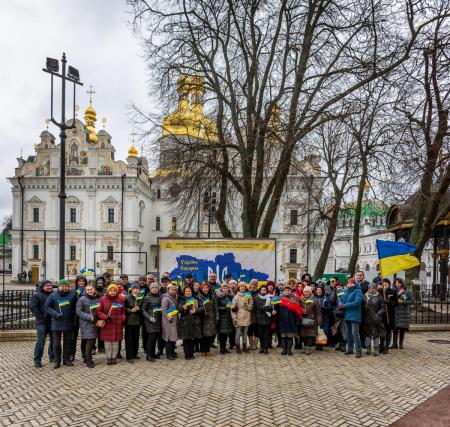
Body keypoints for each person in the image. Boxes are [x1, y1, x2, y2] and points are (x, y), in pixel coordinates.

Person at [44, 279, 77, 369]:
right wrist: (55, 314)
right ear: (59, 287)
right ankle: (57, 361)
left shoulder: (73, 294)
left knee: (68, 342)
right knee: (56, 343)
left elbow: (76, 306)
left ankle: (66, 359)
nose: (64, 288)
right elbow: (47, 307)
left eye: (66, 286)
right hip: (56, 322)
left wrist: (74, 316)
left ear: (68, 287)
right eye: (62, 286)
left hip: (69, 321)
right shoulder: (53, 295)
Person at [96, 284, 125, 365]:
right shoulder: (102, 299)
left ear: (116, 291)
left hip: (117, 324)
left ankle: (114, 357)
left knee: (115, 343)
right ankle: (109, 358)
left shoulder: (120, 300)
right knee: (108, 343)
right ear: (108, 291)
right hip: (107, 324)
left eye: (114, 290)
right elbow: (98, 311)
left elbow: (123, 311)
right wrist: (105, 316)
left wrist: (122, 318)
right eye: (111, 290)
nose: (113, 292)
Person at [30, 280, 54, 368]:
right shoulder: (36, 295)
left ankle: (52, 356)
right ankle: (37, 360)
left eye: (50, 285)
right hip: (42, 322)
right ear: (42, 286)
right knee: (41, 342)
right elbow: (33, 307)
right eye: (47, 285)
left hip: (52, 321)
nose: (49, 287)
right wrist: (41, 317)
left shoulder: (53, 294)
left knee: (54, 341)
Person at [75, 283, 100, 368]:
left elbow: (99, 309)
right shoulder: (82, 299)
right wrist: (89, 317)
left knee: (88, 340)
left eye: (91, 289)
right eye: (88, 290)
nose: (90, 291)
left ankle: (85, 357)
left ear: (94, 290)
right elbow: (78, 312)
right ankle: (89, 360)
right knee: (90, 340)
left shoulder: (97, 299)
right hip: (86, 323)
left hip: (95, 322)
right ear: (85, 291)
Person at [339, 278, 363, 358]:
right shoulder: (346, 291)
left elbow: (357, 302)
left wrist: (345, 306)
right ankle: (350, 349)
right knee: (348, 333)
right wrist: (340, 299)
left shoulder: (358, 291)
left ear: (354, 284)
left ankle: (358, 351)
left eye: (351, 283)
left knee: (355, 333)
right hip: (346, 315)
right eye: (348, 283)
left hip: (355, 315)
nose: (349, 284)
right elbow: (342, 300)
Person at [177, 285, 204, 360]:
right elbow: (178, 308)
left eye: (189, 291)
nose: (188, 292)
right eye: (186, 291)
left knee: (193, 338)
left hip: (194, 321)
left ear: (192, 292)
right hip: (185, 321)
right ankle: (186, 354)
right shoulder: (181, 300)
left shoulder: (196, 299)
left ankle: (191, 353)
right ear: (184, 292)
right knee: (186, 339)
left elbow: (202, 308)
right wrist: (183, 308)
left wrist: (196, 310)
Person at [278, 283, 302, 356]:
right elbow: (276, 308)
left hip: (291, 320)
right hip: (282, 319)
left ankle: (289, 350)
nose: (287, 291)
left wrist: (297, 320)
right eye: (286, 290)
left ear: (291, 291)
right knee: (283, 335)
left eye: (288, 290)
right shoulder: (279, 298)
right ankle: (284, 349)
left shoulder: (294, 299)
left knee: (290, 335)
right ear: (284, 291)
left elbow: (298, 310)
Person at [142, 282, 163, 362]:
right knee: (151, 338)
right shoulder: (147, 297)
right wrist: (149, 317)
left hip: (158, 320)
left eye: (156, 288)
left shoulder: (160, 297)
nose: (154, 289)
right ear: (150, 289)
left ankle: (153, 354)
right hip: (150, 321)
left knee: (155, 338)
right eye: (153, 288)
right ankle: (149, 355)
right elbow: (143, 310)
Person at [231, 281, 254, 354]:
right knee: (237, 333)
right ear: (238, 288)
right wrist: (234, 318)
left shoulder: (248, 296)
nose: (242, 288)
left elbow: (251, 307)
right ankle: (238, 347)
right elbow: (233, 309)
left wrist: (247, 305)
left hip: (247, 317)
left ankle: (244, 347)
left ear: (245, 288)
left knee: (245, 333)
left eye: (243, 286)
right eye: (241, 286)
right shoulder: (236, 297)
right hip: (238, 317)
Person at [363, 283, 385, 356]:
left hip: (376, 319)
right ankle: (368, 349)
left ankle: (376, 349)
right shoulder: (365, 296)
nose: (371, 290)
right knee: (367, 334)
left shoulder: (379, 297)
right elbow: (362, 306)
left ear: (376, 289)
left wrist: (378, 314)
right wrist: (365, 307)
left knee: (376, 334)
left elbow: (383, 308)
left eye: (373, 288)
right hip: (367, 318)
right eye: (370, 288)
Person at [299, 286, 322, 355]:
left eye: (308, 292)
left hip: (312, 320)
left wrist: (319, 320)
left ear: (310, 292)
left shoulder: (315, 300)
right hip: (303, 319)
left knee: (310, 335)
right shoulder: (301, 299)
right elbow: (298, 307)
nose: (306, 293)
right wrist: (301, 310)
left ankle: (308, 348)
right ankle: (305, 347)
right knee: (304, 335)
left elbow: (318, 311)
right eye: (305, 292)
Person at [198, 281, 218, 356]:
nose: (205, 289)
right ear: (201, 288)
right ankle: (203, 351)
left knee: (210, 335)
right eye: (204, 288)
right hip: (203, 319)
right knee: (203, 336)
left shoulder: (212, 296)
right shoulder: (199, 296)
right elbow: (197, 308)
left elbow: (216, 308)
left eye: (206, 287)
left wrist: (217, 317)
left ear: (209, 288)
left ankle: (208, 350)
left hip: (211, 318)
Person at [70, 275, 87, 362]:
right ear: (77, 282)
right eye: (79, 281)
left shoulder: (88, 290)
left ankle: (84, 353)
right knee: (73, 337)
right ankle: (72, 354)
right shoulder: (73, 291)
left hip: (85, 316)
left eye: (83, 281)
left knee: (85, 336)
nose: (81, 282)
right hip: (75, 317)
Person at [253, 284, 274, 354]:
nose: (263, 291)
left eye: (264, 290)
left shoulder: (270, 297)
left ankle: (266, 348)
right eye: (262, 290)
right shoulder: (256, 298)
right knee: (261, 335)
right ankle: (262, 347)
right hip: (259, 319)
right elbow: (255, 309)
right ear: (260, 291)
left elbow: (272, 307)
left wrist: (263, 308)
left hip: (268, 319)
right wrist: (255, 319)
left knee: (267, 335)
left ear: (266, 291)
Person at [124, 284, 142, 363]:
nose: (135, 290)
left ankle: (135, 354)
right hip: (129, 321)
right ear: (131, 289)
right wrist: (130, 310)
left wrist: (139, 308)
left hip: (137, 321)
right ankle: (129, 356)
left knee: (136, 338)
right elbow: (123, 308)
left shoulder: (140, 298)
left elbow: (143, 307)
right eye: (134, 289)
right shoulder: (127, 297)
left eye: (137, 289)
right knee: (129, 339)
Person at [392, 278, 412, 349]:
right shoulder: (394, 291)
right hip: (395, 312)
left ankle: (401, 344)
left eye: (399, 283)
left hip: (403, 313)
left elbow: (411, 301)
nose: (397, 284)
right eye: (396, 283)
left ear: (402, 283)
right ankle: (394, 344)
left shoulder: (407, 292)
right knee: (395, 329)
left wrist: (403, 302)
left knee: (402, 329)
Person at [161, 283, 179, 360]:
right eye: (172, 290)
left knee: (173, 337)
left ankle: (172, 352)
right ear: (168, 290)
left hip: (174, 321)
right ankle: (169, 354)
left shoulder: (175, 298)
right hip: (168, 321)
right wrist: (169, 317)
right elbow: (163, 310)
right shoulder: (165, 299)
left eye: (175, 290)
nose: (174, 291)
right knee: (168, 338)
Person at [215, 282, 235, 354]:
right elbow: (216, 307)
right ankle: (222, 348)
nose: (225, 289)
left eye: (226, 288)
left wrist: (233, 308)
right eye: (224, 288)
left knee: (226, 334)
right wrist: (224, 308)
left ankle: (225, 348)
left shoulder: (231, 296)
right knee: (222, 334)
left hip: (229, 317)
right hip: (221, 317)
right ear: (221, 289)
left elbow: (234, 304)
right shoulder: (218, 296)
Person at [380, 278, 397, 354]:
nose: (384, 284)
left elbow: (396, 303)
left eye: (386, 282)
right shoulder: (380, 291)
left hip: (389, 314)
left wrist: (388, 302)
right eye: (383, 283)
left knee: (388, 330)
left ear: (389, 284)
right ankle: (381, 345)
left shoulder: (393, 291)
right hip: (381, 314)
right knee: (381, 330)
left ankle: (386, 346)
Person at [355, 270, 370, 348]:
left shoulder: (367, 284)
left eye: (360, 275)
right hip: (355, 308)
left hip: (364, 308)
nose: (359, 276)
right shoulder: (353, 284)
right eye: (357, 275)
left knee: (363, 325)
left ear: (363, 276)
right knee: (356, 325)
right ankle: (356, 342)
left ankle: (363, 342)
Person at [315, 286, 331, 350]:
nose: (319, 291)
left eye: (320, 290)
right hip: (316, 316)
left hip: (325, 316)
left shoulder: (326, 298)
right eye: (318, 290)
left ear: (322, 291)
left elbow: (329, 307)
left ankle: (321, 344)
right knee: (317, 330)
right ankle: (317, 345)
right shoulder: (314, 297)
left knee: (324, 330)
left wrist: (322, 308)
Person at [247, 279, 260, 350]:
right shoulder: (247, 293)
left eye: (255, 284)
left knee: (256, 330)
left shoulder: (259, 293)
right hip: (249, 314)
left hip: (257, 314)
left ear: (257, 285)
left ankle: (255, 345)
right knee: (250, 330)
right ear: (250, 284)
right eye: (252, 284)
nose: (253, 285)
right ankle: (251, 344)